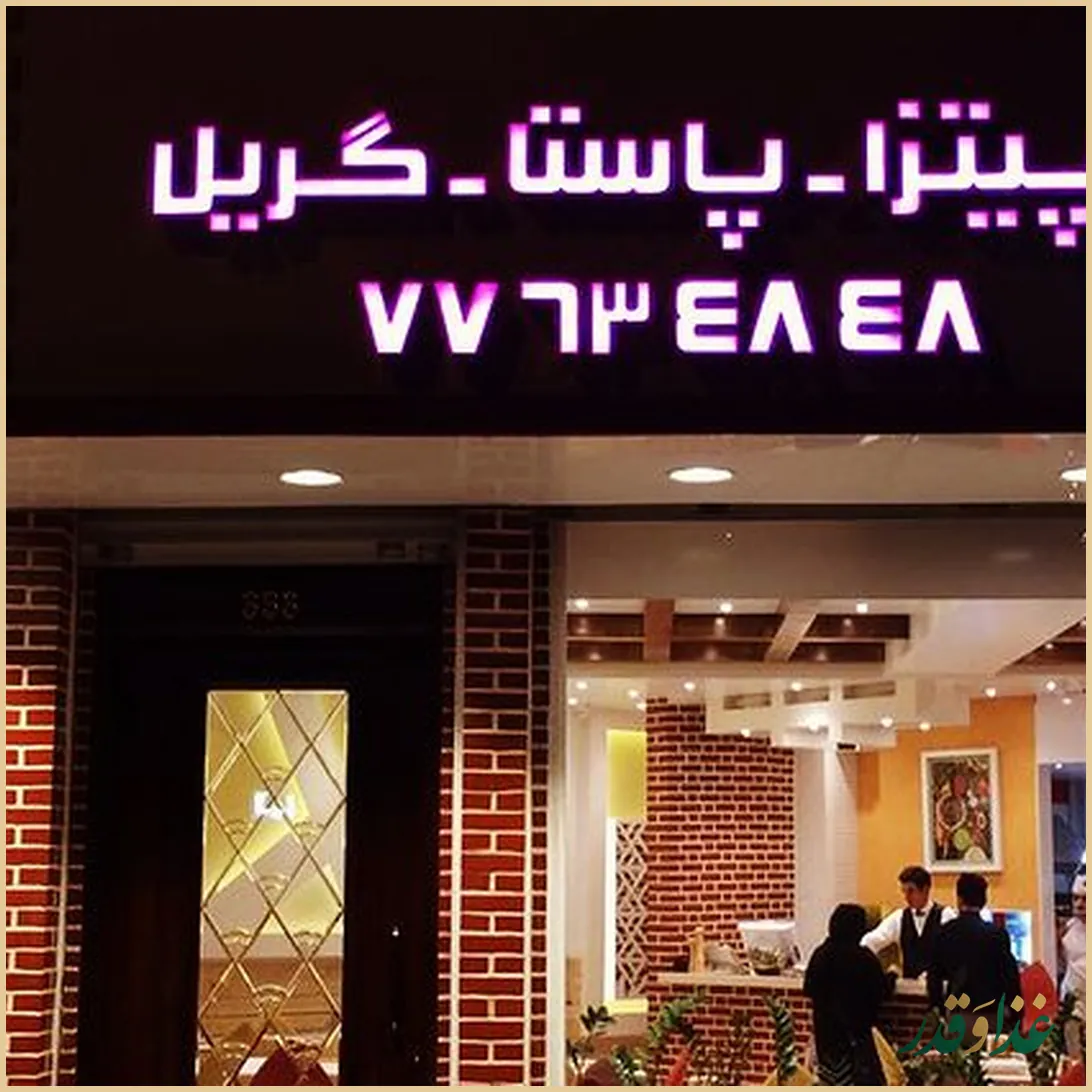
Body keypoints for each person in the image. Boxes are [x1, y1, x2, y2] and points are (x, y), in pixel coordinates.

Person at [805, 903, 895, 1085]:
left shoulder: (820, 954)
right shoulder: (863, 958)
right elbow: (882, 991)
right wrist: (892, 975)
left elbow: (809, 988)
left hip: (826, 1036)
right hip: (856, 1038)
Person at [928, 872, 1022, 1037]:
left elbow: (934, 978)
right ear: (984, 900)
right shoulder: (997, 934)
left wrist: (940, 1010)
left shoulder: (945, 932)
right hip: (992, 1016)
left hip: (958, 1016)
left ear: (959, 899)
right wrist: (1016, 1013)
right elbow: (1010, 979)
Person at [860, 864, 957, 979]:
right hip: (908, 985)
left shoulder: (946, 915)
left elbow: (955, 953)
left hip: (939, 985)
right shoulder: (899, 917)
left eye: (911, 891)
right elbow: (872, 940)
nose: (906, 897)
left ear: (925, 890)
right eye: (904, 891)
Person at [1060, 874, 1086, 1018]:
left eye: (1085, 899)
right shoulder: (1068, 929)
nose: (1079, 904)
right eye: (1075, 898)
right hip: (1072, 1004)